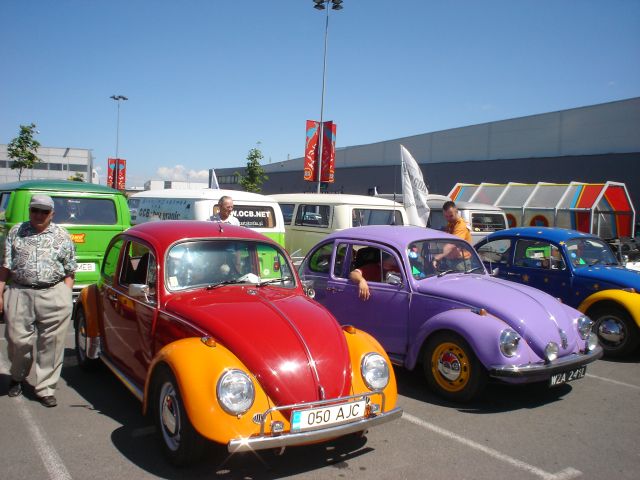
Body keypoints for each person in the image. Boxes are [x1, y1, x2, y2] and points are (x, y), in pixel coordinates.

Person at [0, 194, 77, 407]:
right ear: (29, 211)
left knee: (52, 345)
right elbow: (5, 266)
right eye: (35, 210)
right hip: (20, 292)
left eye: (44, 211)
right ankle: (17, 376)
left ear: (52, 213)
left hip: (53, 293)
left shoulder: (62, 235)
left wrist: (65, 294)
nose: (39, 215)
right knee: (17, 341)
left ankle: (46, 389)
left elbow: (70, 269)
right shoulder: (16, 231)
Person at [432, 201, 472, 271]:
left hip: (461, 263)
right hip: (452, 261)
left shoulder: (461, 225)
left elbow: (452, 243)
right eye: (446, 216)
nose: (448, 219)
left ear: (456, 212)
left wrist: (439, 256)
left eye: (451, 216)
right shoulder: (451, 223)